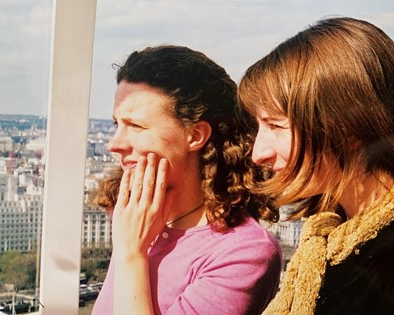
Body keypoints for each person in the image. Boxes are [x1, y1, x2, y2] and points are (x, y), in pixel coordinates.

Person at [92, 45, 282, 315]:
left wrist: (131, 254)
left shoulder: (244, 253)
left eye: (136, 126)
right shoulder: (135, 217)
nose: (114, 144)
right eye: (116, 125)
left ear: (195, 135)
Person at [237, 17, 394, 314]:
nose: (258, 152)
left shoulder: (379, 268)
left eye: (275, 125)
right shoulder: (328, 239)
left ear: (347, 129)